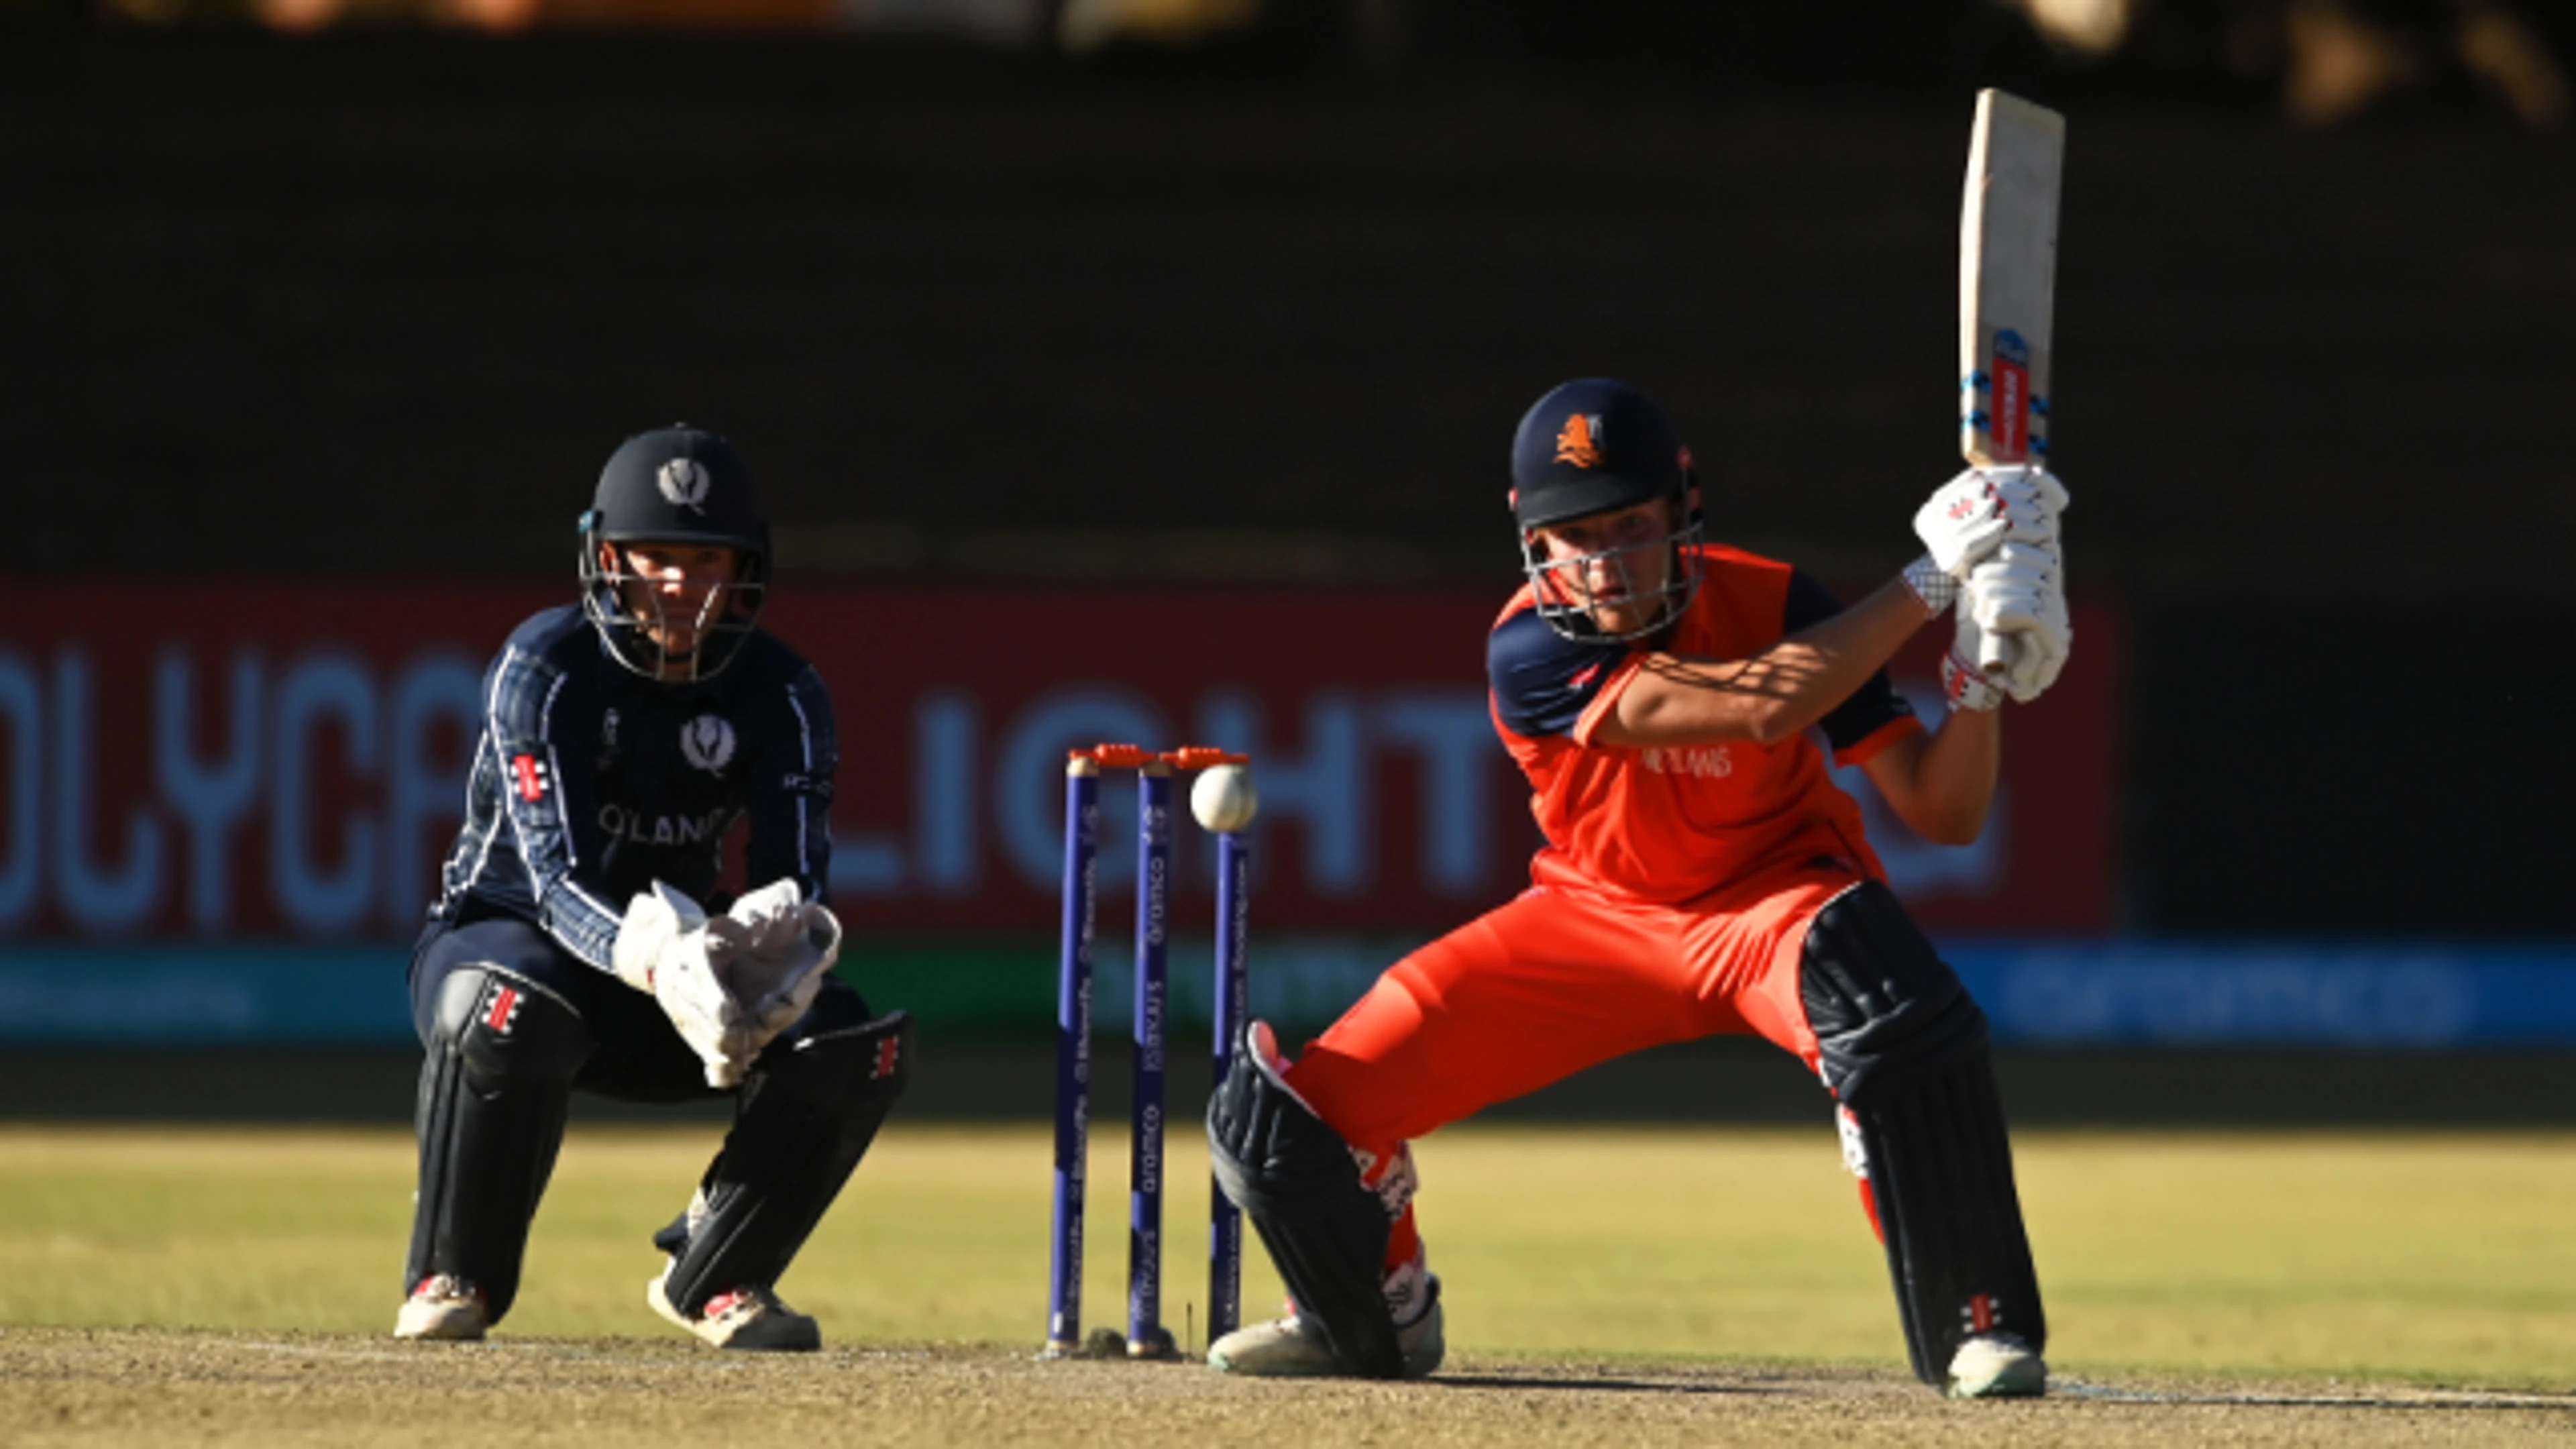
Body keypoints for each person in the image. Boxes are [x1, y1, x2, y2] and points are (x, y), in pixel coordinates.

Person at [1205, 378, 2070, 1397]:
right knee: (1288, 1118)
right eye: (1576, 537)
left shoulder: (1779, 601)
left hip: (1772, 904)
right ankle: (1372, 1314)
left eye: (1629, 524)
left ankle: (1981, 1326)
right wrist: (1935, 578)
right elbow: (1756, 707)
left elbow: (1943, 812)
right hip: (1593, 921)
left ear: (1680, 512)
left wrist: (1981, 673)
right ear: (1533, 542)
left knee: (1892, 1009)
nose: (1606, 561)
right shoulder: (1526, 644)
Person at [394, 425, 911, 1352]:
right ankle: (451, 1277)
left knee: (850, 1043)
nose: (680, 585)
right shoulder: (544, 670)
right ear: (606, 558)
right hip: (509, 948)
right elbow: (554, 885)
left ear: (744, 566)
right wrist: (660, 955)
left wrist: (758, 958)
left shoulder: (785, 693)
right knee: (507, 1005)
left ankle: (718, 1277)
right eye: (655, 559)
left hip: (672, 994)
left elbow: (797, 880)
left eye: (706, 559)